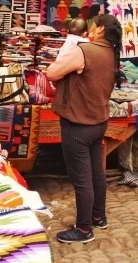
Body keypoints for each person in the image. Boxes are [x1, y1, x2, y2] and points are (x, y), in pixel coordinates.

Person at [46, 14, 125, 243]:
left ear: (99, 29)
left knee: (81, 178)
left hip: (78, 124)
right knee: (96, 172)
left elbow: (52, 73)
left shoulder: (85, 51)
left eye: (93, 26)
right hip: (98, 121)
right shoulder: (112, 53)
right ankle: (98, 217)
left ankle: (83, 229)